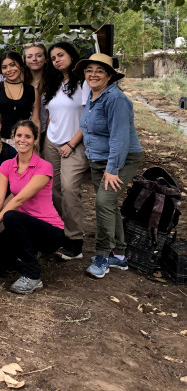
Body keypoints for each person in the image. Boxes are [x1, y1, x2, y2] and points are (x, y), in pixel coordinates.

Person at [0, 120, 63, 295]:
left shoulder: (44, 167)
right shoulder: (7, 165)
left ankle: (33, 275)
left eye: (28, 136)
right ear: (13, 138)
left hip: (49, 231)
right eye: (19, 135)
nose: (23, 140)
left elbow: (19, 200)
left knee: (12, 216)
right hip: (21, 227)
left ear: (35, 140)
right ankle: (25, 254)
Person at [74, 53, 144, 279]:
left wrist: (112, 169)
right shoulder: (95, 98)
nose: (93, 74)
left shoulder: (116, 99)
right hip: (98, 159)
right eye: (89, 70)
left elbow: (120, 138)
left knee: (104, 203)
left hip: (120, 159)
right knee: (110, 205)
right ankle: (120, 255)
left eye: (99, 70)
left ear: (110, 76)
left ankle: (103, 255)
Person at [43, 42, 90, 261]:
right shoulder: (52, 83)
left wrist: (71, 143)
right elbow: (52, 115)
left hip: (74, 144)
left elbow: (89, 118)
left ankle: (75, 241)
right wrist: (46, 140)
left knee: (70, 189)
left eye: (60, 55)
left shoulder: (85, 83)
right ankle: (59, 232)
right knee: (53, 191)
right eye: (53, 58)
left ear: (72, 55)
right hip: (51, 143)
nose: (57, 60)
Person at [0, 51, 41, 143]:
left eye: (12, 65)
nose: (9, 70)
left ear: (21, 66)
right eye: (4, 67)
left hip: (22, 142)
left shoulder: (32, 91)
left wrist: (36, 143)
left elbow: (35, 120)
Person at [22, 42, 49, 134]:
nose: (34, 59)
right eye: (29, 57)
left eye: (38, 55)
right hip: (23, 132)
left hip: (46, 131)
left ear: (45, 59)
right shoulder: (20, 82)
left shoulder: (53, 83)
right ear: (25, 61)